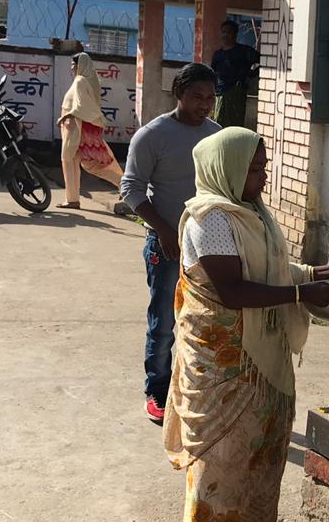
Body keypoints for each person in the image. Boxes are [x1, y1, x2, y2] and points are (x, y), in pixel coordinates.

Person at [165, 127, 329, 522]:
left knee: (254, 450)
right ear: (227, 168)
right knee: (223, 453)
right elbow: (234, 291)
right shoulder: (211, 219)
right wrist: (301, 293)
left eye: (263, 166)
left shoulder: (251, 213)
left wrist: (313, 273)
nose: (263, 176)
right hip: (223, 357)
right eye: (254, 168)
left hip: (256, 357)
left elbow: (268, 268)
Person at [120, 63, 224, 424]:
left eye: (210, 97)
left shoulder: (216, 137)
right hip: (165, 246)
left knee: (204, 320)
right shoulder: (152, 136)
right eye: (197, 96)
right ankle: (158, 390)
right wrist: (165, 230)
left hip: (209, 245)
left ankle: (196, 386)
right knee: (164, 321)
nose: (205, 104)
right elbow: (130, 189)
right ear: (179, 93)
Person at [57, 52, 123, 210]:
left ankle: (72, 200)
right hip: (83, 129)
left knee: (71, 161)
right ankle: (125, 185)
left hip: (77, 130)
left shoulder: (80, 81)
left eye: (74, 65)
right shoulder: (91, 80)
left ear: (81, 65)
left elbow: (82, 107)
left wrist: (65, 116)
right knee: (93, 164)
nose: (72, 68)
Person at [210, 19, 259, 129]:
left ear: (235, 34)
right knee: (218, 125)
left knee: (234, 126)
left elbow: (264, 61)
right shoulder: (218, 54)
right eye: (223, 32)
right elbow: (212, 73)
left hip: (237, 93)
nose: (225, 35)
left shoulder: (244, 51)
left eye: (229, 32)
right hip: (220, 94)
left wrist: (249, 76)